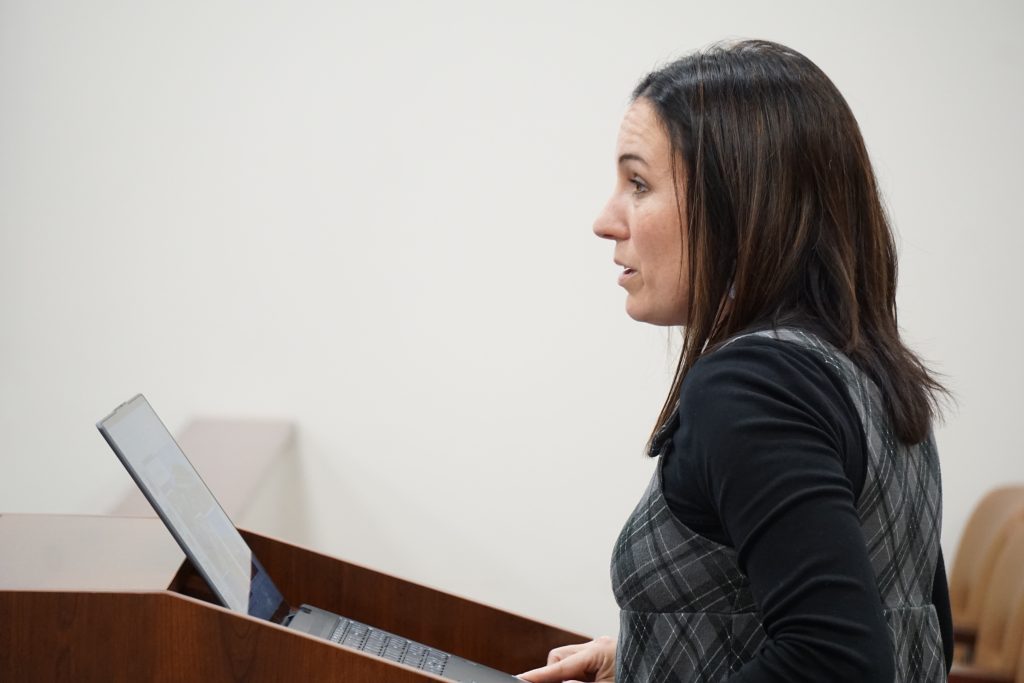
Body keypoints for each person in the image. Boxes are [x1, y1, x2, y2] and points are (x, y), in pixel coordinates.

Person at [519, 39, 952, 683]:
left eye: (638, 183)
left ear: (739, 202)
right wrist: (641, 660)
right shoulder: (865, 373)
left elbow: (836, 664)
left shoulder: (751, 388)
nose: (605, 221)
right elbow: (907, 630)